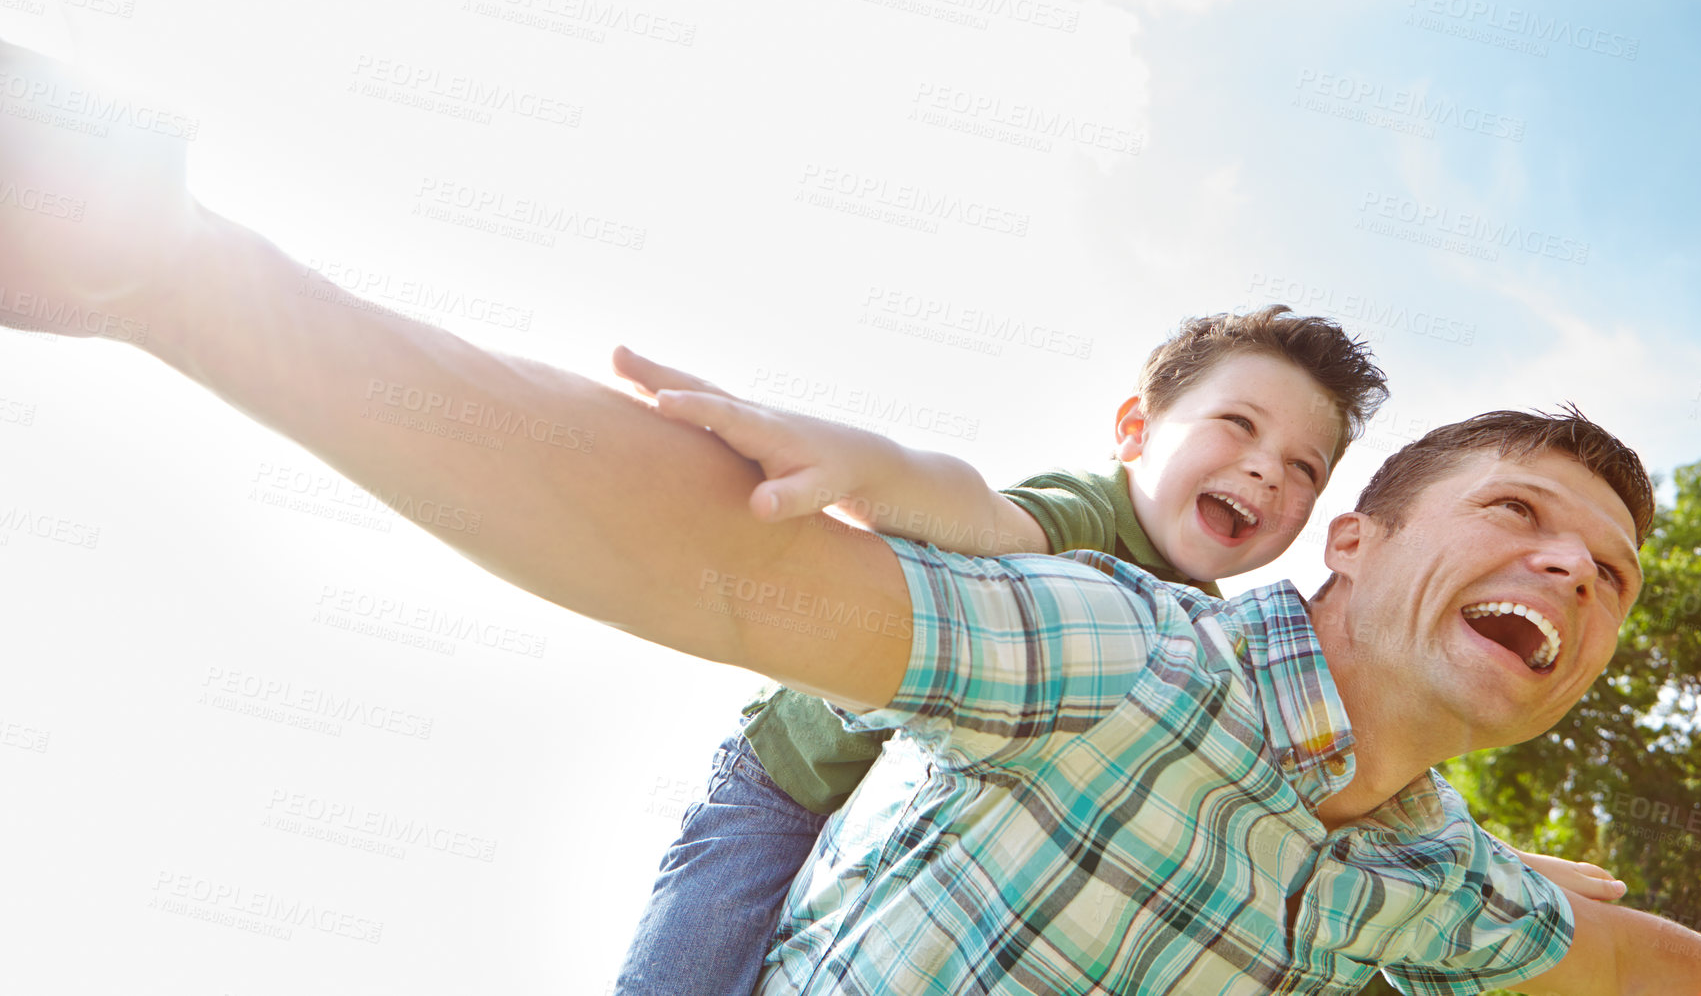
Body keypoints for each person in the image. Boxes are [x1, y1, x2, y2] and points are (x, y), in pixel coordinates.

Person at [0, 38, 1701, 993]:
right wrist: (177, 273)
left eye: (1612, 576)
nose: (1572, 568)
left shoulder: (1431, 878)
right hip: (773, 779)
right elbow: (742, 562)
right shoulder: (1114, 630)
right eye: (1520, 509)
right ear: (1356, 543)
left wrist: (1526, 869)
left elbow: (1643, 959)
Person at [608, 322, 1624, 996]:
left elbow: (1290, 784)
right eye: (1236, 424)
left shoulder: (1207, 635)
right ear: (1134, 430)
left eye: (1305, 467)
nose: (1268, 466)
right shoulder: (1079, 521)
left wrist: (1502, 864)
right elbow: (967, 504)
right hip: (782, 781)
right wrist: (860, 467)